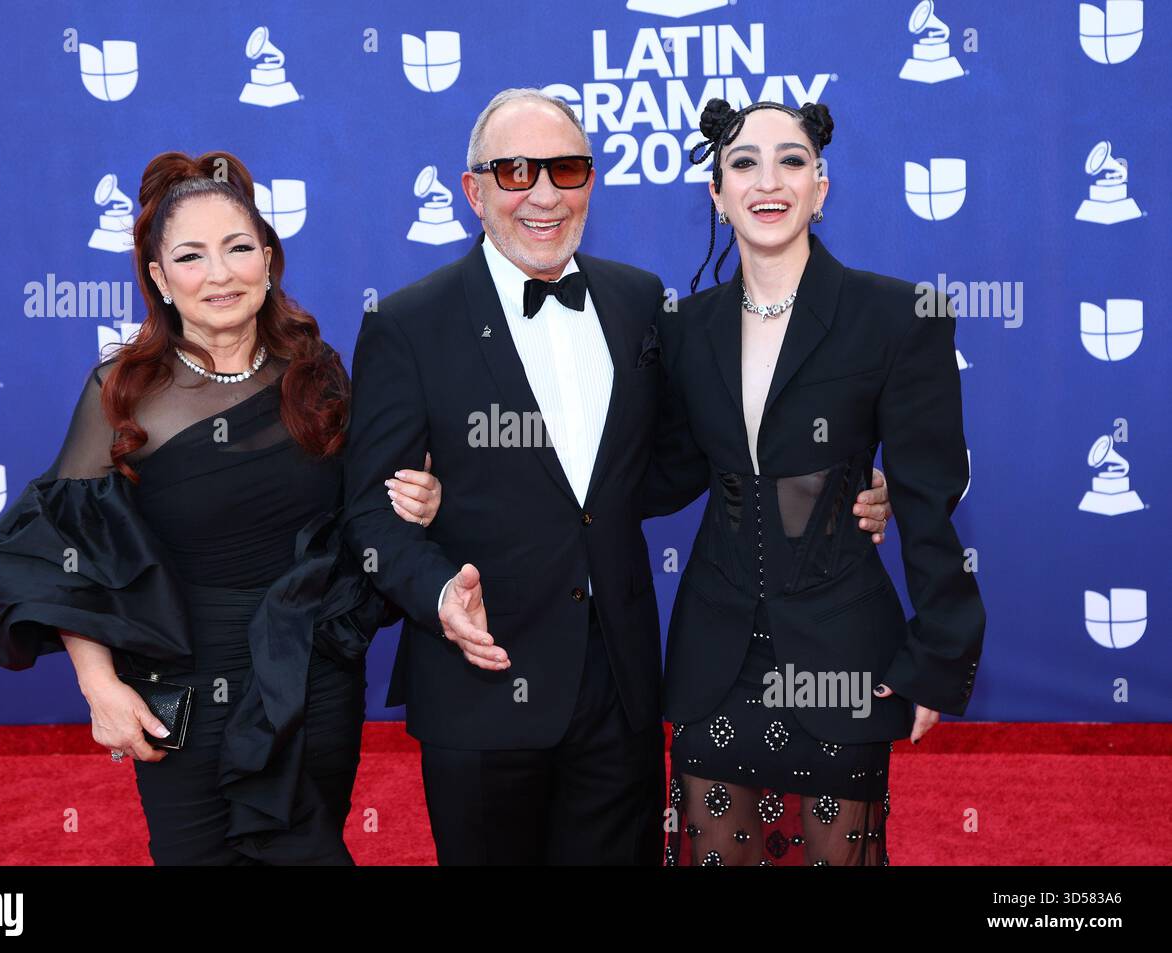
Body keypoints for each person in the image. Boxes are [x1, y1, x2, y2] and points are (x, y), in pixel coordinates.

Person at [343, 89, 895, 865]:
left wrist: (842, 482)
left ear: (591, 182)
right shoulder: (407, 325)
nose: (543, 194)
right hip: (482, 684)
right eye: (515, 172)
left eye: (565, 170)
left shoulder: (638, 302)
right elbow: (370, 512)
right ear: (473, 190)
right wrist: (437, 593)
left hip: (620, 689)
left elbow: (698, 450)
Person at [0, 151, 440, 865]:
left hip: (310, 680)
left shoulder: (317, 377)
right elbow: (64, 556)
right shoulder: (122, 394)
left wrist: (420, 502)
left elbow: (361, 520)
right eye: (191, 256)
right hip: (177, 686)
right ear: (160, 279)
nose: (219, 274)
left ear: (268, 261)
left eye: (238, 248)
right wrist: (99, 687)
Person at [654, 99, 985, 866]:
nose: (768, 181)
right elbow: (661, 477)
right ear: (717, 194)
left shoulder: (898, 316)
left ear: (821, 188)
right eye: (744, 163)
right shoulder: (683, 329)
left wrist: (939, 656)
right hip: (715, 658)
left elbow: (929, 504)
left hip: (844, 654)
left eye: (792, 161)